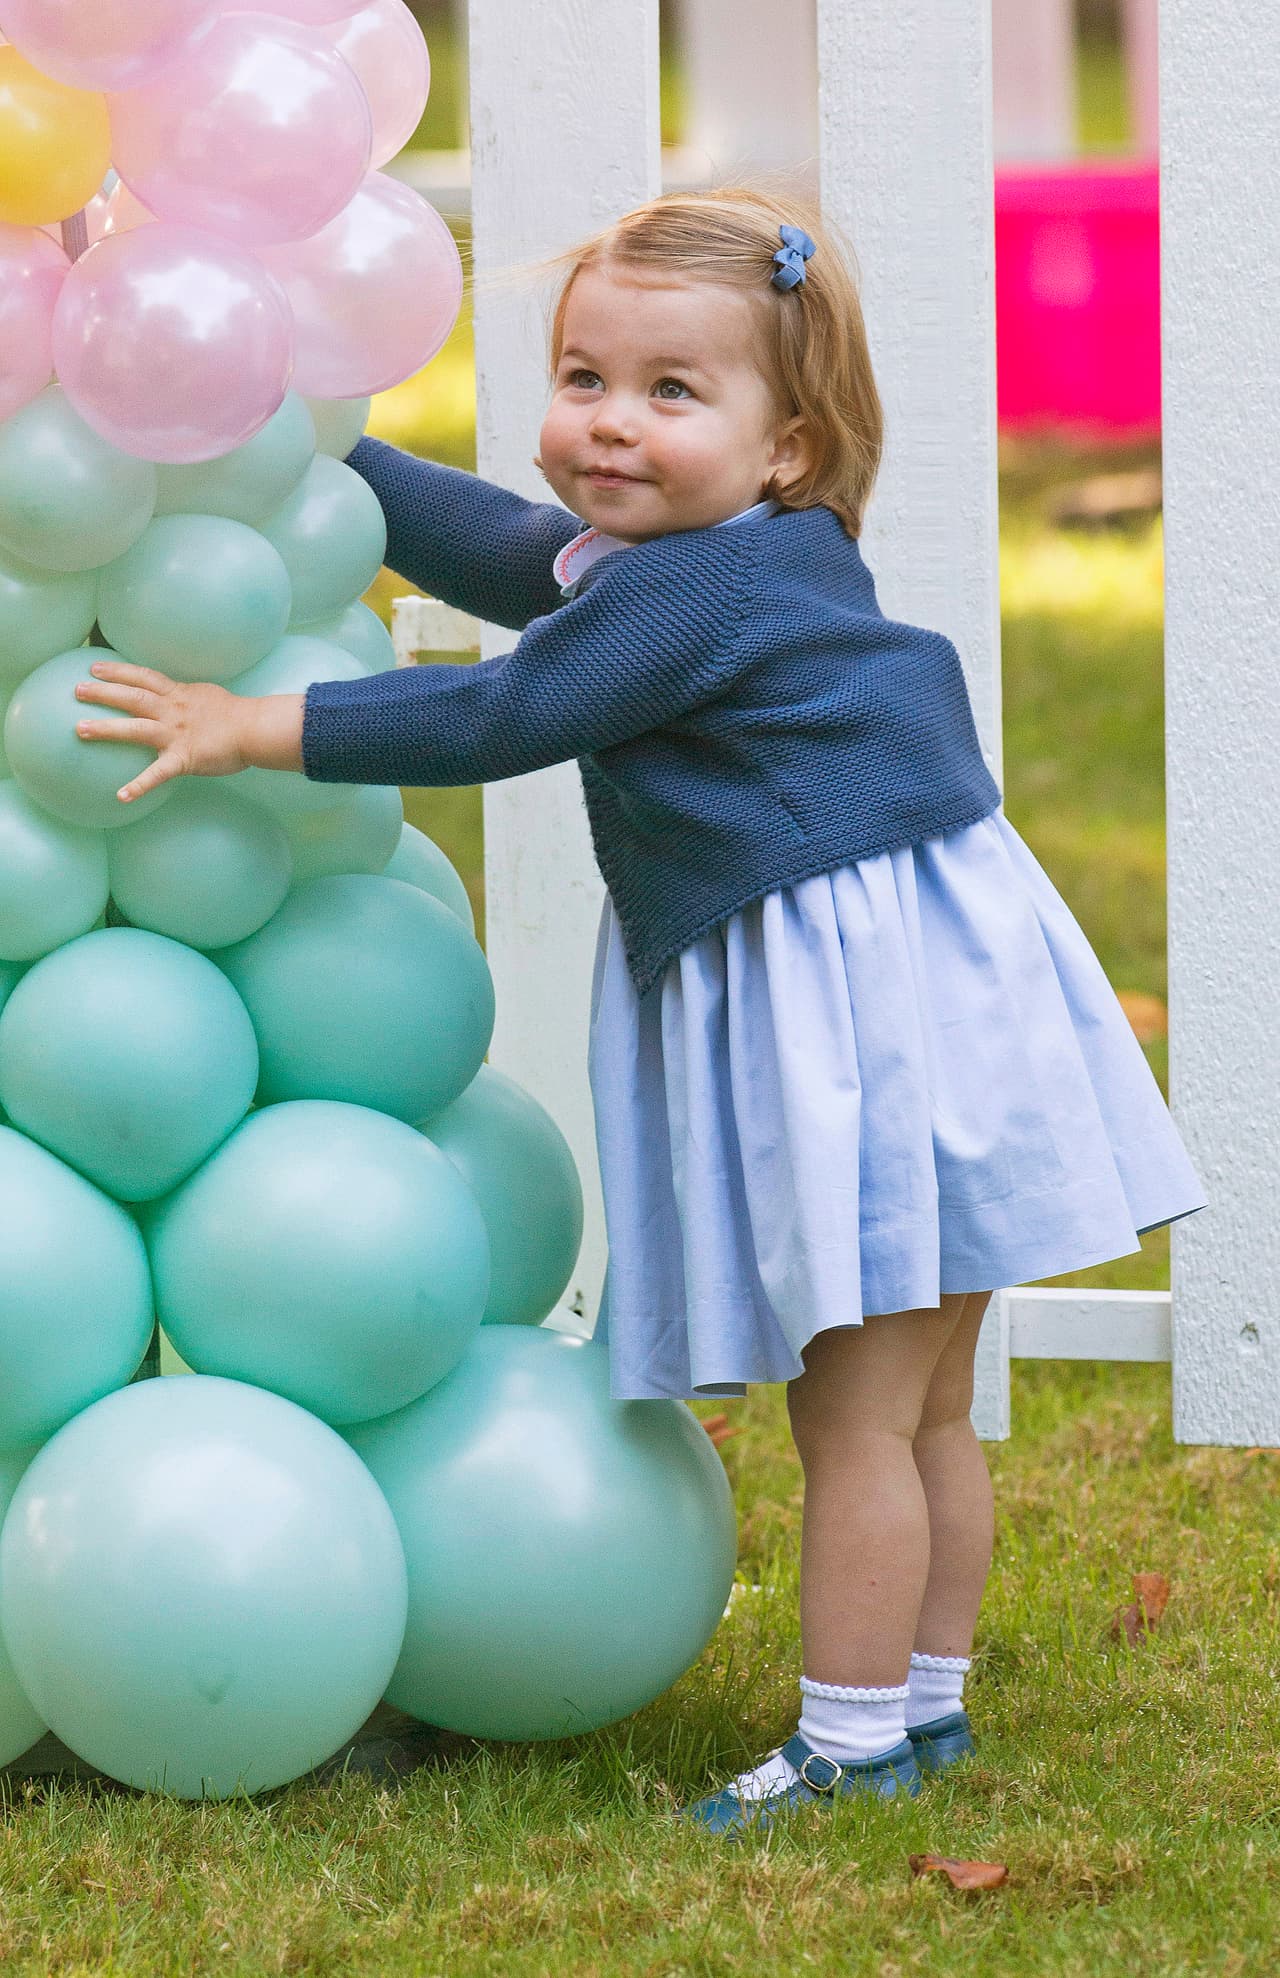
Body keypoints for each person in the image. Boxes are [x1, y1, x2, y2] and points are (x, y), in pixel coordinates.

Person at [74, 187, 1206, 1838]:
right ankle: (929, 1696)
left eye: (673, 393)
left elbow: (506, 706)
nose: (610, 423)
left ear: (789, 448)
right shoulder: (730, 557)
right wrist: (303, 437)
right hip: (934, 1000)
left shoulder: (691, 600)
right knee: (925, 1401)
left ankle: (852, 1736)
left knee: (857, 1412)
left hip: (867, 1022)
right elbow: (499, 550)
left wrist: (253, 722)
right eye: (584, 374)